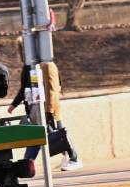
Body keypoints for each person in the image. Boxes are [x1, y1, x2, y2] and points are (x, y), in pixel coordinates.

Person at [8, 38, 81, 171]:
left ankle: (73, 158)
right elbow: (24, 87)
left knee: (57, 134)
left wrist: (49, 112)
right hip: (34, 108)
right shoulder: (28, 67)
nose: (23, 53)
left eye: (25, 50)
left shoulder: (47, 65)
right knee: (48, 135)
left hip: (47, 108)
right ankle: (30, 163)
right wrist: (14, 104)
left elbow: (53, 90)